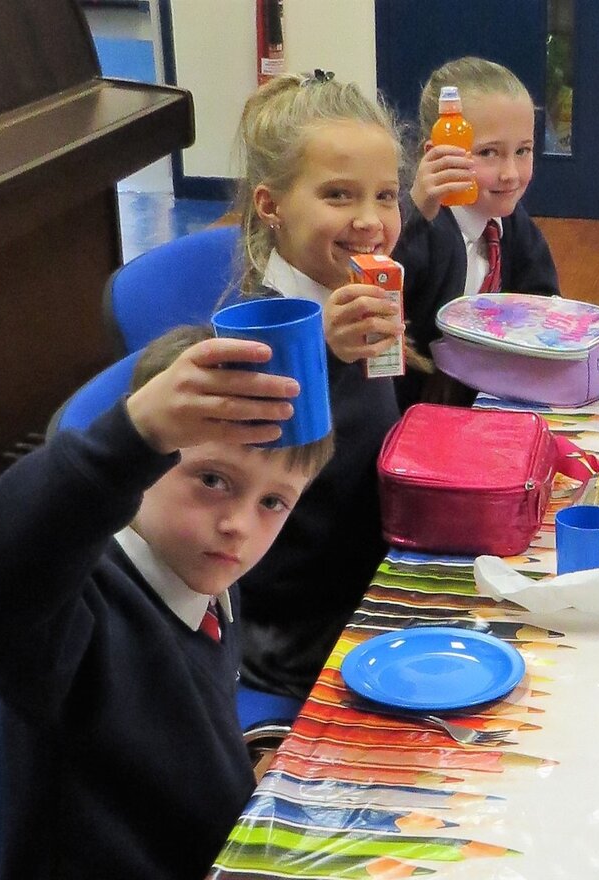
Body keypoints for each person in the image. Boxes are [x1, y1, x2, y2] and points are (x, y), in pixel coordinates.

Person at [0, 327, 333, 880]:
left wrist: (245, 782)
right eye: (212, 479)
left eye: (273, 501)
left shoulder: (203, 575)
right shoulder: (75, 616)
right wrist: (131, 435)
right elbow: (1, 574)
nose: (237, 526)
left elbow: (178, 744)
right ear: (147, 465)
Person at [232, 71, 407, 699]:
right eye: (338, 195)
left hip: (379, 590)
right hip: (306, 647)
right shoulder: (253, 340)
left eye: (386, 196)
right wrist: (321, 354)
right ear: (271, 206)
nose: (370, 221)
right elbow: (244, 504)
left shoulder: (358, 297)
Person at [394, 56, 561, 405]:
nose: (511, 174)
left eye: (523, 151)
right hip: (414, 415)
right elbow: (384, 291)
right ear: (438, 156)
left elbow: (544, 310)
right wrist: (414, 213)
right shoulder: (416, 234)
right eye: (488, 153)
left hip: (494, 404)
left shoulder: (514, 229)